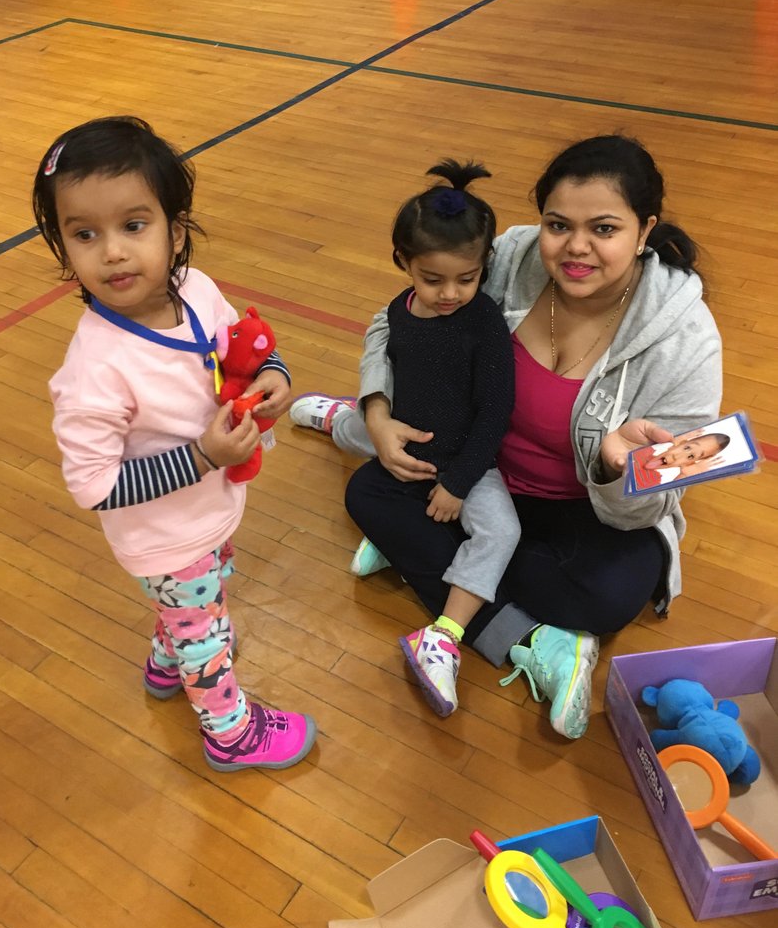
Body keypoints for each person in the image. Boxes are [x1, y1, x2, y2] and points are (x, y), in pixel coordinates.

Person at [293, 134, 721, 739]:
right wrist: (378, 409)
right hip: (475, 463)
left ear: (644, 229)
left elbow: (654, 503)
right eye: (558, 224)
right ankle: (531, 634)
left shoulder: (687, 339)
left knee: (611, 593)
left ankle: (435, 564)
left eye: (604, 229)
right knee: (368, 492)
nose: (576, 248)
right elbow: (394, 320)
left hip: (583, 507)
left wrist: (612, 467)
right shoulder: (508, 256)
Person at [32, 115, 317, 771]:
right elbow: (93, 485)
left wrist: (273, 374)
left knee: (206, 596)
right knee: (207, 638)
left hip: (206, 510)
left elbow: (238, 351)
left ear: (175, 231)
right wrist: (203, 458)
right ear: (62, 245)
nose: (112, 252)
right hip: (165, 536)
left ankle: (168, 655)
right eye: (84, 234)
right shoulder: (94, 371)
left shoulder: (197, 291)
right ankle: (230, 733)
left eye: (134, 225)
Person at [292, 160, 518, 718]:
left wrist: (460, 482)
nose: (450, 294)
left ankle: (444, 635)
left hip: (463, 458)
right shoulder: (398, 309)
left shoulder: (485, 324)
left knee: (502, 530)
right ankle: (334, 418)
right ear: (403, 263)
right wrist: (375, 416)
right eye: (433, 279)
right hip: (403, 433)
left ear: (484, 265)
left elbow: (496, 412)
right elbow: (389, 368)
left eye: (466, 279)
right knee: (358, 430)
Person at [630, 430, 729, 489]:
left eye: (691, 456)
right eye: (687, 448)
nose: (676, 456)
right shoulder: (650, 447)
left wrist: (685, 475)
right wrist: (673, 437)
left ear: (691, 463)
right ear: (682, 442)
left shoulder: (655, 480)